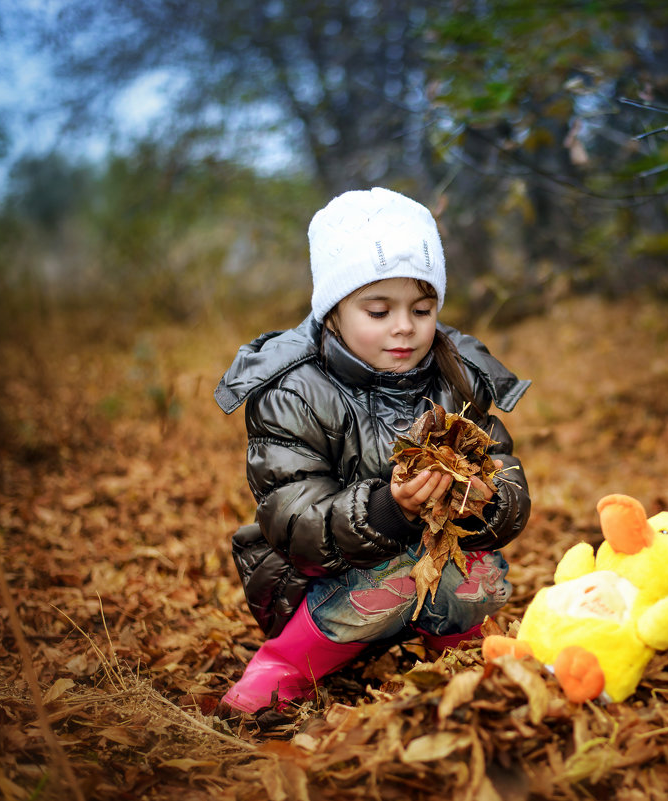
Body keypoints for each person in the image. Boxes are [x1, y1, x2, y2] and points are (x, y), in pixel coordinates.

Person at [213, 187, 531, 716]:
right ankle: (285, 664)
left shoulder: (455, 375)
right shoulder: (295, 391)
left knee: (481, 574)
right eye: (379, 310)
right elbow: (292, 520)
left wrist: (485, 499)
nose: (405, 326)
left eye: (422, 308)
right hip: (317, 577)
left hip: (429, 561)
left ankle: (457, 649)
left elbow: (509, 478)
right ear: (333, 310)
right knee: (398, 574)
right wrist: (392, 507)